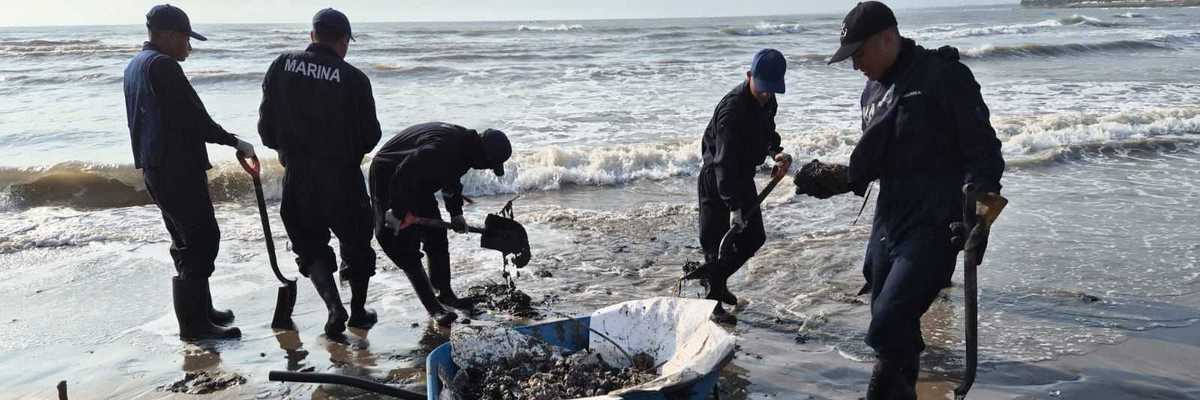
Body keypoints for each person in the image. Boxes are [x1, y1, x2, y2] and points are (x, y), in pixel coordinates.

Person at [803, 2, 1006, 398]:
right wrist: (839, 178)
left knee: (889, 323)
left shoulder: (944, 76)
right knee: (886, 316)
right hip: (889, 219)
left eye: (858, 54)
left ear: (888, 39)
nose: (854, 64)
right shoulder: (870, 93)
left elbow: (984, 153)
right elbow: (879, 158)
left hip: (935, 221)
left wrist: (981, 217)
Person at [123, 4, 255, 341]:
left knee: (184, 240)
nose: (189, 47)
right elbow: (194, 118)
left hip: (155, 167)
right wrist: (234, 141)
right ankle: (194, 327)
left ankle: (201, 311)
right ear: (167, 35)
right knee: (202, 238)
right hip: (176, 167)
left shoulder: (135, 66)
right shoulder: (163, 67)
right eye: (185, 38)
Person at [257, 8, 381, 337]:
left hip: (297, 175)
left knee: (310, 245)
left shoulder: (281, 65)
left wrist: (287, 150)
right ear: (343, 41)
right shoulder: (354, 79)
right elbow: (371, 136)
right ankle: (357, 312)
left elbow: (266, 130)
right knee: (356, 244)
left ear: (312, 36)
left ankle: (332, 307)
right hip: (342, 176)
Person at [370, 122, 512, 326]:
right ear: (483, 155)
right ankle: (434, 308)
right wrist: (398, 211)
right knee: (401, 244)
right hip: (390, 175)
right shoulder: (442, 149)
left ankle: (445, 294)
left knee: (435, 236)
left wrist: (456, 214)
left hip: (418, 181)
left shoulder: (465, 149)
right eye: (489, 164)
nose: (486, 168)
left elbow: (450, 179)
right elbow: (405, 172)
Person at [698, 49, 793, 324]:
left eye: (771, 90)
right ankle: (713, 306)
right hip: (717, 179)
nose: (766, 95)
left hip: (742, 176)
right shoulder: (732, 111)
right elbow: (723, 162)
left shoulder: (768, 100)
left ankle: (717, 281)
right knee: (716, 244)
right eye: (762, 88)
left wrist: (776, 151)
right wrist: (733, 206)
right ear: (749, 76)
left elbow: (767, 131)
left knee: (754, 238)